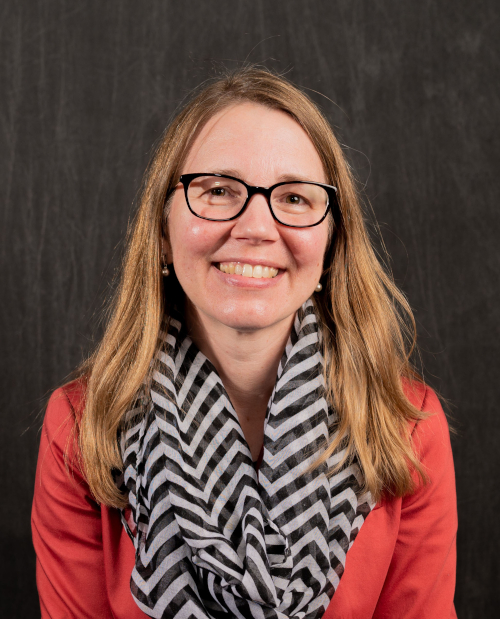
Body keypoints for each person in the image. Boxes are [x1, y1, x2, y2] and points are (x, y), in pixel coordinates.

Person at [31, 68, 457, 619]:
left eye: (295, 198)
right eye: (217, 191)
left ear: (330, 241)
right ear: (163, 228)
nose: (257, 226)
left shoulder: (406, 428)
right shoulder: (80, 429)